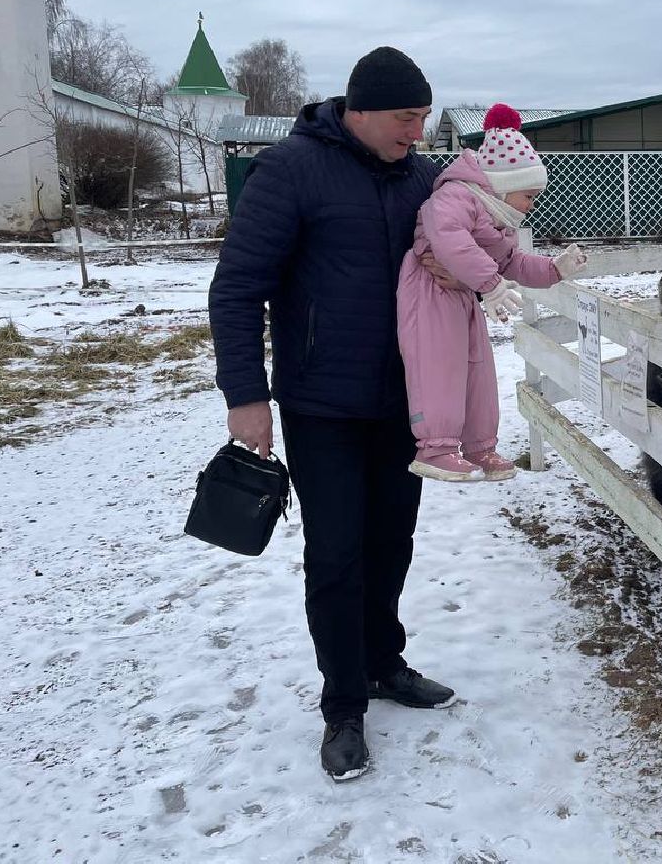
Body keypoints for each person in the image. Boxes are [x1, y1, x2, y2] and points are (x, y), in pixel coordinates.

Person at [208, 46, 456, 783]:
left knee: (393, 541)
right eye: (405, 119)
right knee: (339, 553)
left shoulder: (423, 179)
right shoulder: (291, 171)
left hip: (403, 402)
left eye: (424, 119)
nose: (416, 133)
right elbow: (237, 288)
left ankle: (384, 663)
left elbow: (458, 258)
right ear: (359, 109)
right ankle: (343, 705)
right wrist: (246, 395)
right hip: (322, 406)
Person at [398, 103, 587, 481]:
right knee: (438, 365)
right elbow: (450, 241)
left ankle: (480, 445)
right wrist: (490, 284)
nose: (532, 206)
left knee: (478, 370)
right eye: (529, 195)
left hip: (463, 296)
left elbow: (511, 263)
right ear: (504, 186)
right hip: (430, 294)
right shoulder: (455, 197)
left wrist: (553, 269)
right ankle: (435, 448)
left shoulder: (498, 221)